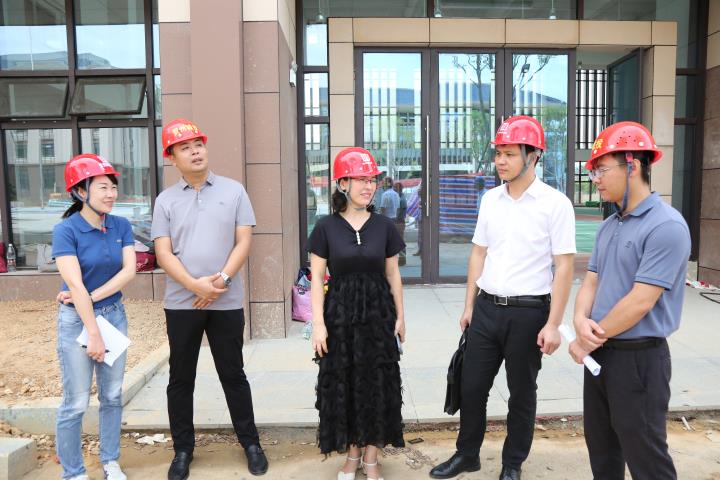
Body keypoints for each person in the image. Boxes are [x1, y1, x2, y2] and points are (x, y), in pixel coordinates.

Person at [430, 116, 576, 480]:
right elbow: (478, 253)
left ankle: (512, 464)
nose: (500, 161)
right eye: (498, 153)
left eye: (509, 154)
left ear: (533, 156)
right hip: (486, 309)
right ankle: (467, 454)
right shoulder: (491, 200)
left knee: (521, 393)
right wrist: (469, 305)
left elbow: (564, 267)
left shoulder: (555, 204)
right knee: (471, 386)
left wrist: (554, 324)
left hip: (529, 313)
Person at [569, 121, 690, 480]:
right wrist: (579, 319)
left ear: (632, 165)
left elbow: (641, 301)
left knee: (645, 454)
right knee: (602, 448)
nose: (596, 179)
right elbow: (591, 281)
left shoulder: (666, 226)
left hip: (639, 360)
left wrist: (588, 338)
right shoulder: (610, 225)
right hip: (601, 355)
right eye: (594, 172)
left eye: (602, 169)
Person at [151, 118, 268, 479]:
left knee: (233, 374)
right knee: (181, 378)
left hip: (226, 300)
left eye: (198, 144)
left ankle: (251, 444)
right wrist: (194, 285)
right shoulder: (165, 200)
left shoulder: (234, 191)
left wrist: (221, 280)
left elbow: (244, 241)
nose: (195, 152)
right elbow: (163, 253)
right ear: (172, 157)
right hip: (181, 303)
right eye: (185, 148)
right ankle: (182, 450)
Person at [309, 147, 406, 480]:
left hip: (379, 315)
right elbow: (317, 278)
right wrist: (318, 325)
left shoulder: (384, 227)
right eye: (361, 179)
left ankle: (372, 457)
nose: (369, 186)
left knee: (377, 383)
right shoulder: (325, 227)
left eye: (372, 180)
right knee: (345, 383)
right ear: (343, 183)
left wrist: (401, 317)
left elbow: (393, 275)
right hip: (339, 317)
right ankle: (352, 454)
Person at [53, 154, 136, 480]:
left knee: (112, 395)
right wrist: (94, 333)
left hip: (114, 315)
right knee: (75, 401)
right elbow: (74, 284)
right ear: (80, 192)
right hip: (77, 320)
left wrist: (91, 296)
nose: (111, 194)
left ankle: (110, 460)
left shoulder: (121, 225)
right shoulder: (65, 230)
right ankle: (73, 472)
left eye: (113, 187)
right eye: (103, 187)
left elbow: (129, 271)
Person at [393, 182, 407, 266]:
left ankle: (402, 259)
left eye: (395, 188)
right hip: (399, 221)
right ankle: (401, 259)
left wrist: (395, 219)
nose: (394, 190)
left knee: (400, 240)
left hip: (399, 221)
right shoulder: (400, 197)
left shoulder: (401, 199)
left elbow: (400, 212)